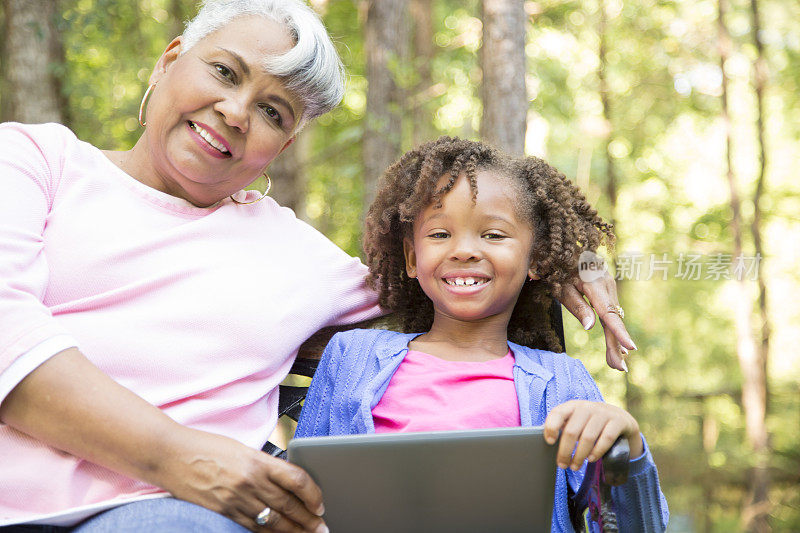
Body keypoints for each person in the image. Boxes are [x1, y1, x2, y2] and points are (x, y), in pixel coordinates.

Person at [0, 1, 634, 532]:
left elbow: (451, 267)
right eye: (224, 72)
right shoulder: (35, 162)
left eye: (274, 112)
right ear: (169, 59)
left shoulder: (298, 256)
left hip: (170, 517)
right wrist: (183, 458)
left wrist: (567, 259)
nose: (236, 111)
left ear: (284, 144)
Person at [294, 137, 669, 532]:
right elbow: (300, 493)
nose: (464, 250)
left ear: (536, 259)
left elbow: (639, 528)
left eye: (493, 235)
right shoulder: (352, 355)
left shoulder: (561, 381)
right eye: (440, 234)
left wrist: (627, 448)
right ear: (410, 258)